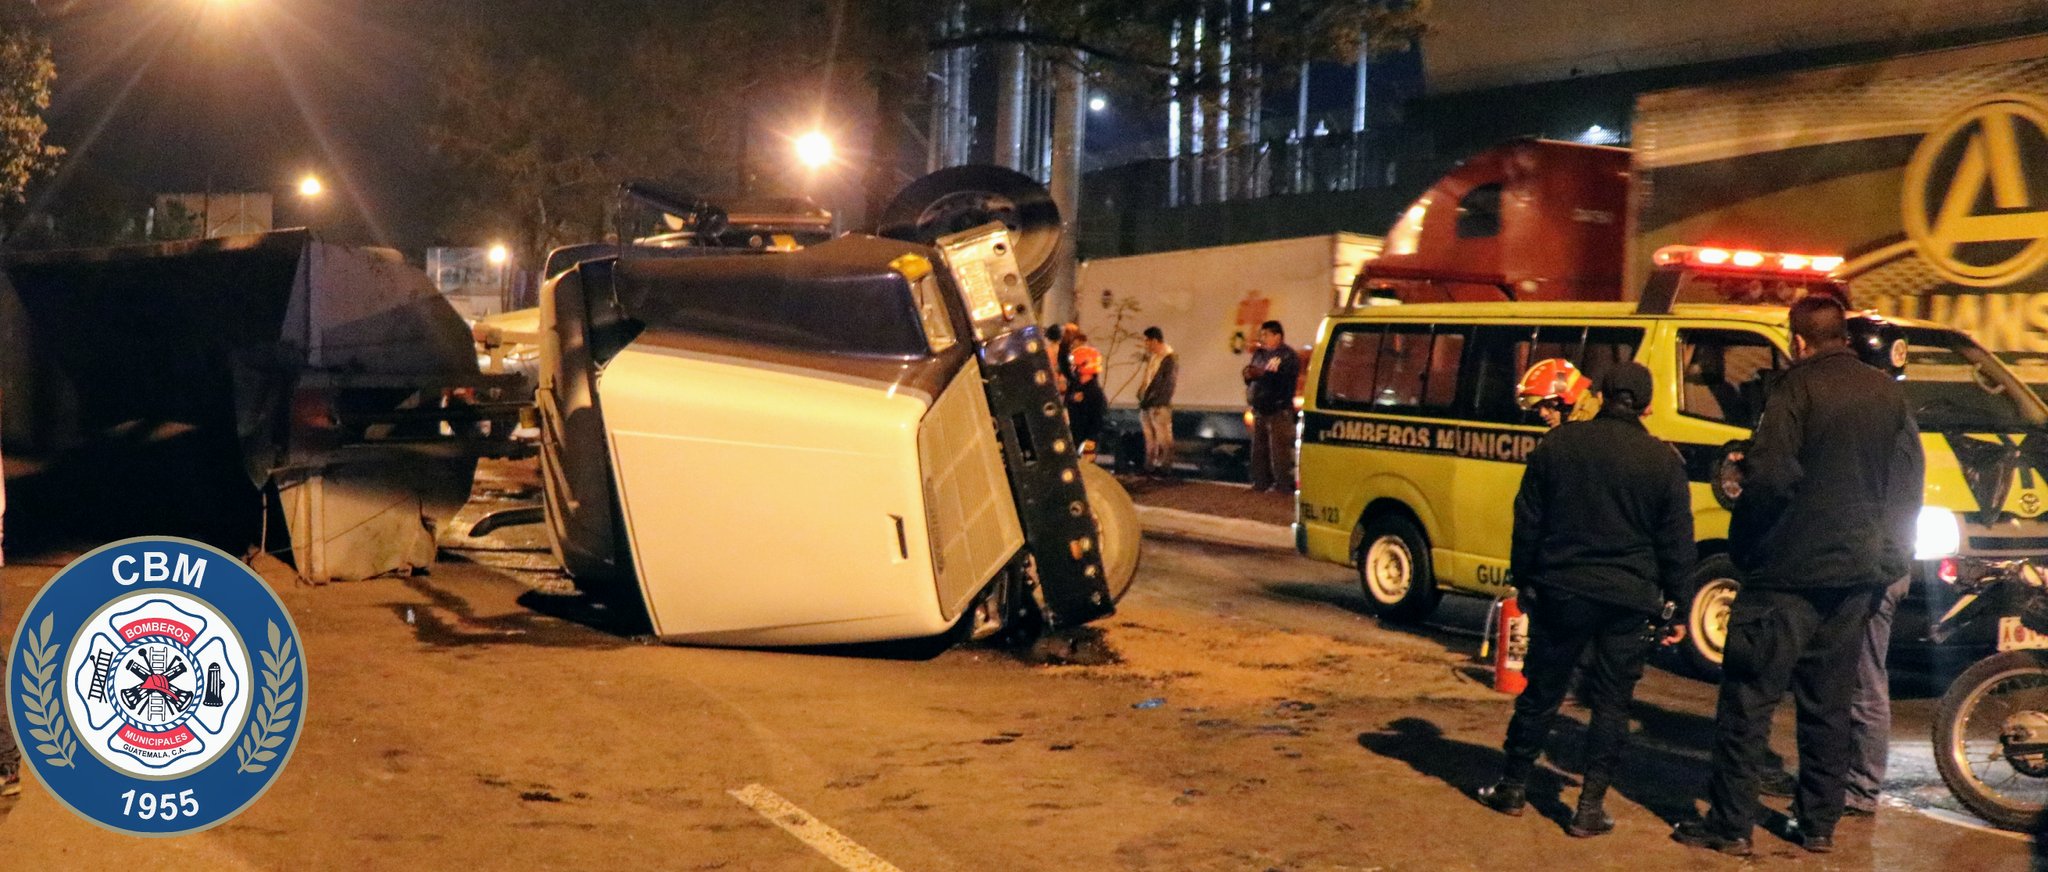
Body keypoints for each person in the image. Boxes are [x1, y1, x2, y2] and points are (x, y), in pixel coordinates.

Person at [1675, 296, 1924, 857]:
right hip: (1855, 579)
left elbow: (1772, 478)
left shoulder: (1794, 389)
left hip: (1786, 577)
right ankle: (1817, 826)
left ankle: (1731, 826)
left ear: (1797, 341)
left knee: (1748, 701)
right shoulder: (1887, 393)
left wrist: (1746, 541)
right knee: (1828, 705)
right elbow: (1905, 487)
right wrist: (1885, 560)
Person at [1475, 362, 1696, 838]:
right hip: (1629, 600)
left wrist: (1527, 582)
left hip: (1563, 592)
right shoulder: (1664, 462)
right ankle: (1588, 808)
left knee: (1542, 693)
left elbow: (1528, 524)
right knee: (1612, 704)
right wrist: (1678, 603)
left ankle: (1512, 788)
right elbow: (1677, 543)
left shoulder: (1558, 446)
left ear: (1601, 394)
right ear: (1647, 404)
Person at [1242, 320, 1300, 493]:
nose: (1263, 338)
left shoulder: (1288, 356)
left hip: (1278, 408)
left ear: (1277, 336)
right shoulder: (1260, 354)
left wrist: (1263, 375)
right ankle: (1260, 482)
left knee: (1279, 450)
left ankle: (1282, 485)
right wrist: (1248, 374)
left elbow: (1284, 381)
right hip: (1260, 407)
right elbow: (1251, 376)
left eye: (1266, 334)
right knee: (1259, 449)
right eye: (1262, 335)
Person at [1137, 326, 1179, 474]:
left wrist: (1156, 400)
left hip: (1159, 405)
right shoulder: (1155, 357)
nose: (1146, 345)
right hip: (1148, 403)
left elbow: (1167, 384)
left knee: (1164, 439)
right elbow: (1148, 379)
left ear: (1154, 340)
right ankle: (1149, 466)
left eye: (1147, 341)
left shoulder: (1169, 358)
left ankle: (1165, 468)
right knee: (1150, 439)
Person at [1065, 325, 1108, 455]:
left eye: (1075, 366)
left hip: (1086, 440)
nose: (1073, 369)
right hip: (1073, 437)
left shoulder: (1094, 393)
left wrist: (1089, 447)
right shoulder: (1075, 386)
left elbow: (1096, 422)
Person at [1515, 358, 1593, 428]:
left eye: (1548, 404)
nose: (1542, 413)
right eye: (1537, 407)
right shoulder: (1573, 434)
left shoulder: (1597, 433)